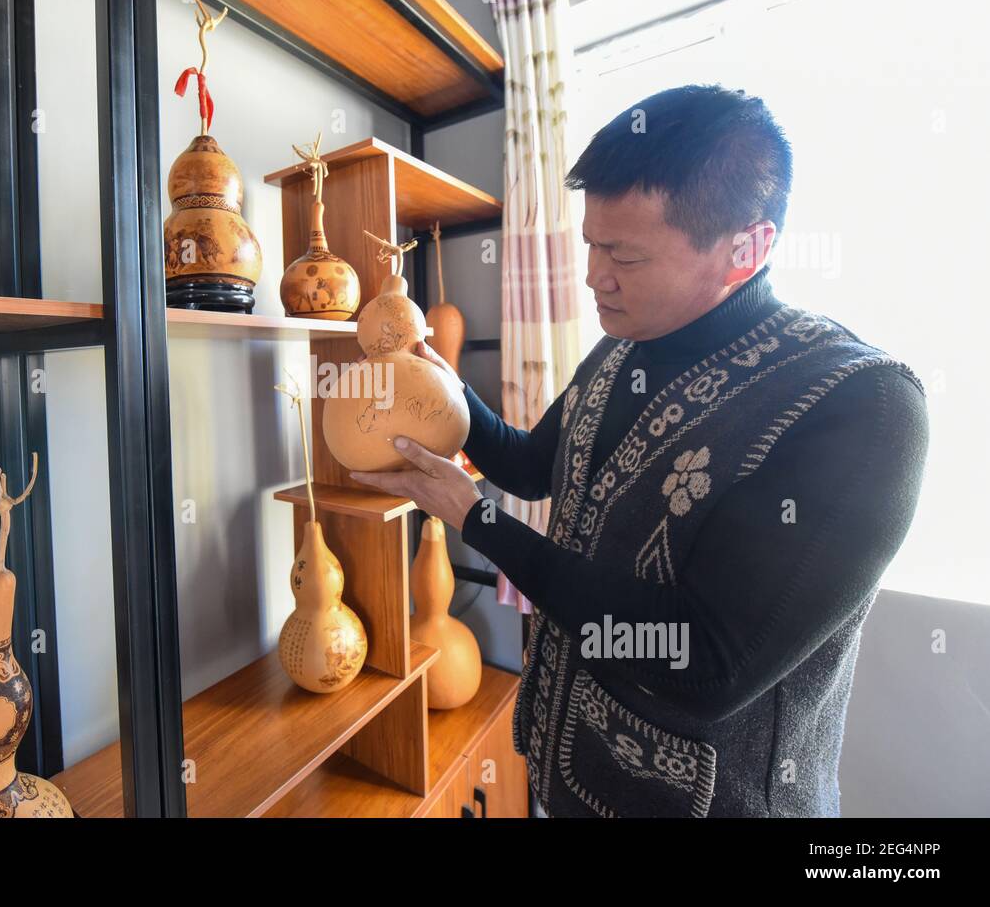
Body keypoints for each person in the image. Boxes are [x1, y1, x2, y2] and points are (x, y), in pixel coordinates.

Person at [351, 85, 929, 817]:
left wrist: (481, 522)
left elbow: (706, 660)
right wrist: (446, 395)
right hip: (573, 779)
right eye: (590, 242)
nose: (595, 274)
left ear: (745, 250)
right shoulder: (625, 345)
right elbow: (535, 463)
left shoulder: (860, 408)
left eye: (623, 254)